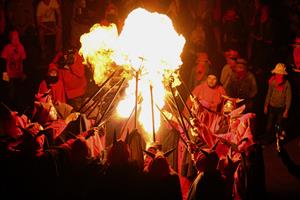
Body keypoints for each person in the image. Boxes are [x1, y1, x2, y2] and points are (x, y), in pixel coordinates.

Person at [264, 63, 291, 143]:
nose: (279, 76)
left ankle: (277, 139)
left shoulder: (287, 84)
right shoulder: (272, 82)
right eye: (278, 74)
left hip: (281, 108)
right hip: (272, 107)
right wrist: (266, 105)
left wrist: (286, 110)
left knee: (279, 124)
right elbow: (269, 94)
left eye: (281, 74)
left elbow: (288, 98)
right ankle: (267, 138)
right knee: (269, 124)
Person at [1, 30, 26, 109]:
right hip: (10, 75)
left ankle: (18, 107)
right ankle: (10, 108)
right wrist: (4, 74)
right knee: (10, 93)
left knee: (19, 92)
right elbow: (3, 61)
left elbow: (24, 60)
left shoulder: (21, 47)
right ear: (10, 39)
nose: (16, 40)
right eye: (14, 38)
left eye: (17, 37)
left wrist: (24, 72)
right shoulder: (7, 48)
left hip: (18, 74)